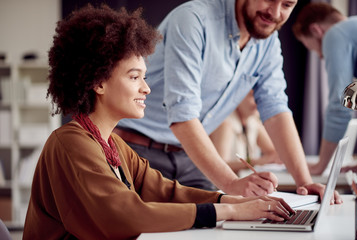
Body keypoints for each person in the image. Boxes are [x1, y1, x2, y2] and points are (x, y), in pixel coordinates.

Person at [22, 5, 295, 239]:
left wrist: (231, 200)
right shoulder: (71, 143)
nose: (147, 89)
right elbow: (124, 214)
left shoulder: (112, 143)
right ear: (98, 82)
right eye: (134, 77)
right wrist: (232, 211)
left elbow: (165, 191)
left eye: (145, 77)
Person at [115, 0, 342, 202]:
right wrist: (232, 184)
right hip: (137, 151)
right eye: (269, 0)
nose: (274, 12)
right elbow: (182, 114)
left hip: (190, 157)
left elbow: (276, 109)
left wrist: (304, 182)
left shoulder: (267, 42)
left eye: (287, 5)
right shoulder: (193, 20)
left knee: (214, 229)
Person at [292, 2, 357, 175]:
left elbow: (340, 105)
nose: (321, 56)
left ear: (316, 30)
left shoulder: (335, 34)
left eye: (312, 48)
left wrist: (320, 166)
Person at [210, 90, 283, 173]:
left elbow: (274, 154)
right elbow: (220, 166)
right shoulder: (224, 123)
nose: (257, 101)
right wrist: (256, 162)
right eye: (251, 95)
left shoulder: (253, 121)